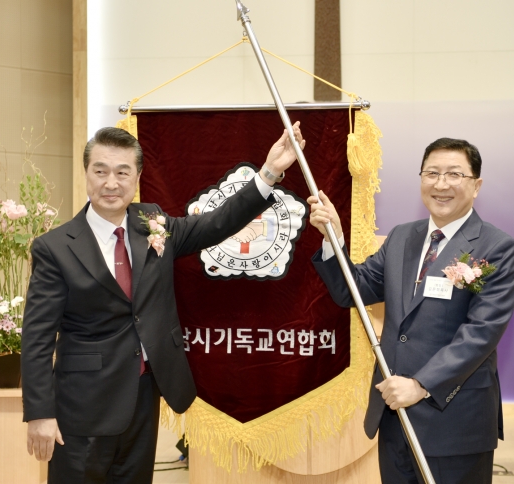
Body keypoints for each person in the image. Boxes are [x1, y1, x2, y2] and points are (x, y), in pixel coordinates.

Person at [22, 124, 305, 483]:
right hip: (82, 406)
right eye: (101, 171)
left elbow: (215, 224)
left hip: (143, 395)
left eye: (122, 172)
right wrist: (40, 414)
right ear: (87, 173)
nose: (111, 183)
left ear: (137, 177)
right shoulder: (54, 248)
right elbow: (36, 339)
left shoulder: (151, 223)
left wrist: (269, 173)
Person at [308, 138, 514, 484]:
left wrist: (421, 385)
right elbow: (355, 291)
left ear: (476, 185)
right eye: (432, 173)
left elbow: (480, 333)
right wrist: (333, 239)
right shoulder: (401, 237)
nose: (441, 184)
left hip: (455, 419)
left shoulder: (497, 247)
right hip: (394, 413)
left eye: (454, 174)